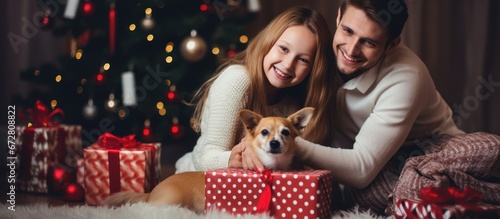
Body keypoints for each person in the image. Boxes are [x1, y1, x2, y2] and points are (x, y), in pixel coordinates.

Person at [241, 0, 467, 215]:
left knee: (488, 150)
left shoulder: (406, 77)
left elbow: (361, 169)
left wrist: (287, 144)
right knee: (371, 193)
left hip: (431, 151)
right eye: (348, 31)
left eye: (369, 42)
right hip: (375, 172)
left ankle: (445, 190)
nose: (351, 50)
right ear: (338, 17)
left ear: (393, 44)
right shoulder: (315, 53)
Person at [175, 6, 340, 173]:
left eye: (303, 59)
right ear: (268, 43)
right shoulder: (237, 80)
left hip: (250, 191)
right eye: (283, 49)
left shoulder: (292, 103)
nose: (288, 64)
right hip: (194, 182)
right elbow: (206, 158)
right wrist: (236, 157)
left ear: (314, 68)